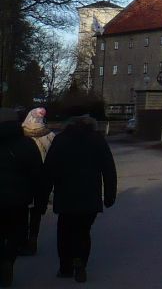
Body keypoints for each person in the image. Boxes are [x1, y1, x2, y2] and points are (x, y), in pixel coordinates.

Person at [38, 115, 116, 284]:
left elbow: (49, 170)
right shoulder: (97, 140)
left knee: (65, 230)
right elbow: (109, 168)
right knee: (83, 231)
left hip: (66, 194)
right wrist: (110, 194)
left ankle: (65, 267)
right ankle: (80, 263)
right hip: (90, 194)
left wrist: (42, 199)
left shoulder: (61, 140)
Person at [0, 116, 44, 288]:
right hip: (19, 199)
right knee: (16, 233)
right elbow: (38, 175)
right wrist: (39, 201)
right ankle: (8, 259)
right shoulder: (27, 145)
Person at [19, 109, 52, 257]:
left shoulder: (20, 136)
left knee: (21, 210)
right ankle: (33, 239)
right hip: (43, 178)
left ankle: (21, 240)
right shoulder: (50, 135)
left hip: (24, 177)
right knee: (37, 211)